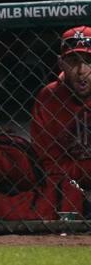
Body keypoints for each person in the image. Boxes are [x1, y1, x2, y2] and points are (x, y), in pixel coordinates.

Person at [31, 27, 91, 186]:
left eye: (89, 61)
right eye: (73, 61)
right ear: (61, 63)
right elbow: (48, 167)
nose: (82, 71)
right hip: (63, 187)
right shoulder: (48, 97)